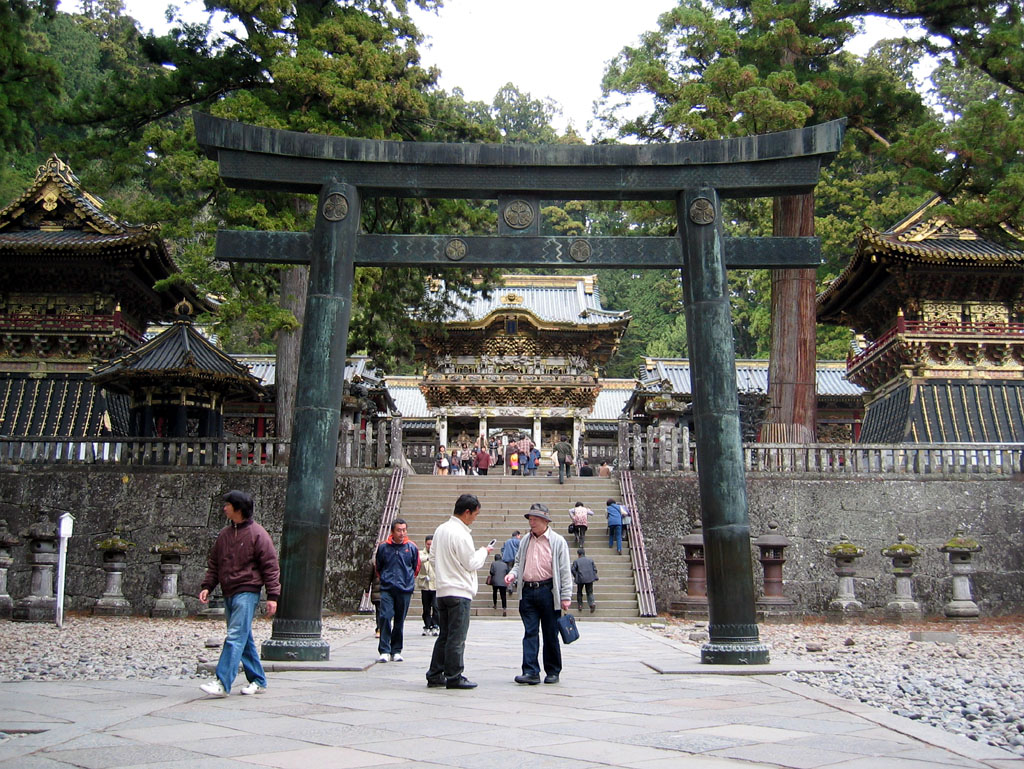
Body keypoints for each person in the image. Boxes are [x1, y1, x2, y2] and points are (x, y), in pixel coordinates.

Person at [199, 490, 280, 698]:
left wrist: (273, 596)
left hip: (247, 590)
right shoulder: (225, 535)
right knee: (243, 637)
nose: (224, 508)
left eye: (228, 504)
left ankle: (222, 681)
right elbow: (215, 563)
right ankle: (258, 679)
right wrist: (208, 585)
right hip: (229, 591)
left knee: (235, 635)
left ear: (238, 508)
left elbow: (270, 566)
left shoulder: (258, 534)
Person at [426, 494, 494, 690]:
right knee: (457, 636)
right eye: (475, 514)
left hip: (442, 590)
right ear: (467, 512)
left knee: (444, 635)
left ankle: (435, 673)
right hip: (460, 590)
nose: (475, 518)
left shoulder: (440, 530)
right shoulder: (461, 533)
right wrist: (483, 551)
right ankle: (454, 675)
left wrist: (445, 571)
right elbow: (471, 562)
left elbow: (432, 558)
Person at [505, 503, 572, 685]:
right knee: (530, 632)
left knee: (550, 633)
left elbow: (564, 570)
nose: (531, 522)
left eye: (534, 519)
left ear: (545, 520)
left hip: (548, 591)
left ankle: (552, 671)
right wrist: (513, 574)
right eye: (530, 519)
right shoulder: (526, 540)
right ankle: (530, 671)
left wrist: (566, 596)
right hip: (528, 591)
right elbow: (519, 563)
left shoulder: (557, 541)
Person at [375, 519, 420, 663]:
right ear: (392, 532)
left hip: (405, 588)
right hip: (387, 587)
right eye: (399, 530)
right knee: (386, 617)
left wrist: (408, 580)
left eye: (404, 530)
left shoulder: (411, 547)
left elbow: (415, 566)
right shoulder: (383, 547)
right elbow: (378, 566)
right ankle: (384, 649)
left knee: (400, 620)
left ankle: (396, 650)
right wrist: (385, 579)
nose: (402, 533)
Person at [417, 534, 438, 636]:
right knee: (426, 607)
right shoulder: (421, 553)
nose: (430, 546)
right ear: (425, 544)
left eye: (432, 544)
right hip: (425, 584)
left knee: (436, 606)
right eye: (428, 544)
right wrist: (430, 557)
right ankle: (427, 625)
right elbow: (420, 559)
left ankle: (435, 625)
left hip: (435, 585)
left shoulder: (439, 554)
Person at [571, 548, 598, 613]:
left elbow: (573, 570)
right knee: (589, 592)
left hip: (580, 578)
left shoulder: (576, 561)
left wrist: (576, 576)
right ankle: (592, 604)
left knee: (579, 592)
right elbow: (595, 569)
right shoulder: (590, 560)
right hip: (589, 578)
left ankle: (580, 605)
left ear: (578, 554)